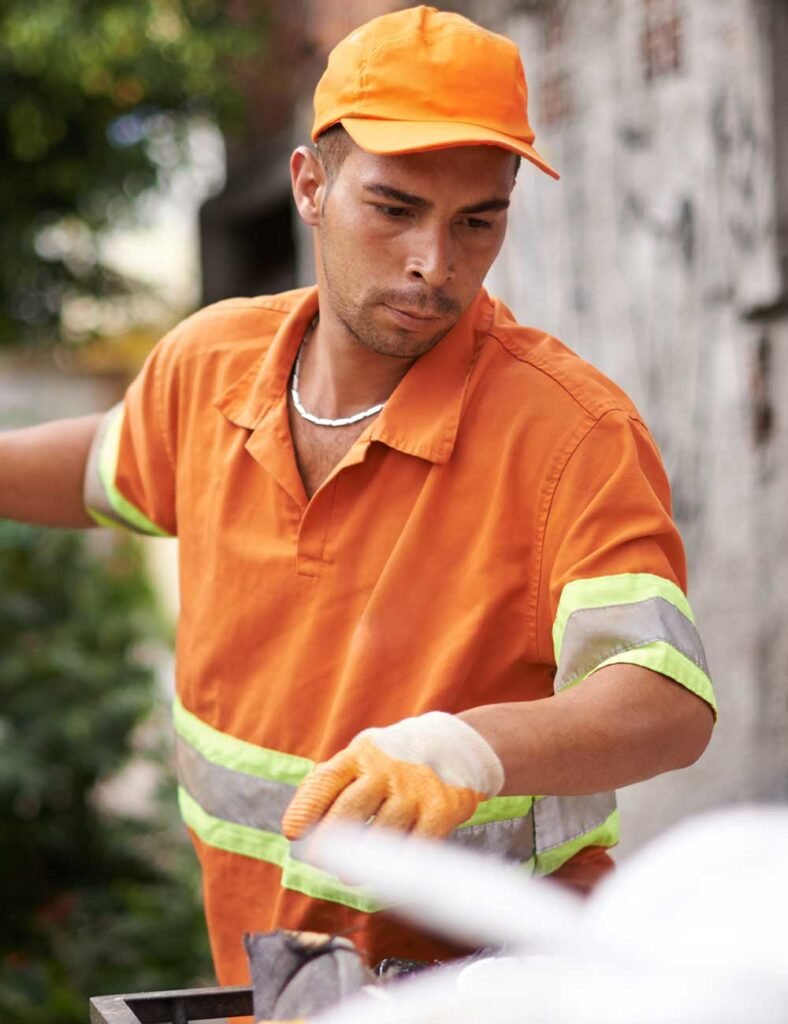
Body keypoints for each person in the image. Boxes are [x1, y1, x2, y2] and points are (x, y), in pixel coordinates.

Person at [0, 5, 715, 986]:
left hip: (499, 997)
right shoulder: (210, 367)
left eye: (478, 220)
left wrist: (471, 747)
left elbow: (664, 702)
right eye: (392, 208)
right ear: (309, 185)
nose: (434, 263)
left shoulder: (569, 433)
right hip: (269, 989)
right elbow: (106, 463)